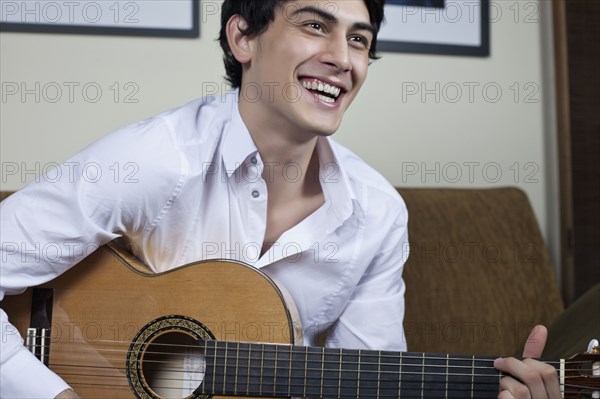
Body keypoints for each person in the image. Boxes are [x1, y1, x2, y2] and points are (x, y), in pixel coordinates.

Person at [0, 1, 560, 398]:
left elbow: (368, 382)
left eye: (359, 39)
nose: (343, 58)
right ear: (243, 37)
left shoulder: (379, 214)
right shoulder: (154, 159)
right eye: (316, 25)